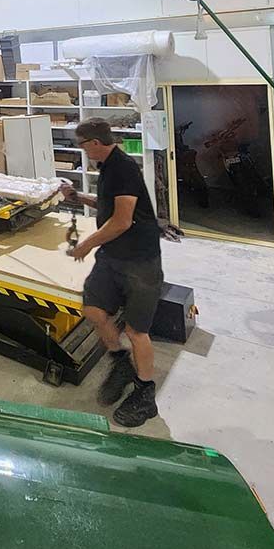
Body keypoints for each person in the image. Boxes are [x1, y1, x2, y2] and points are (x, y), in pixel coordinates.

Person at [62, 118, 163, 427]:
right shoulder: (107, 167)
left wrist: (86, 245)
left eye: (82, 145)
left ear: (95, 143)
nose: (82, 150)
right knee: (93, 309)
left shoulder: (123, 168)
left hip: (139, 261)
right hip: (112, 257)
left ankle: (145, 394)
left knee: (136, 331)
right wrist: (79, 197)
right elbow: (109, 205)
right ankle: (120, 363)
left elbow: (121, 221)